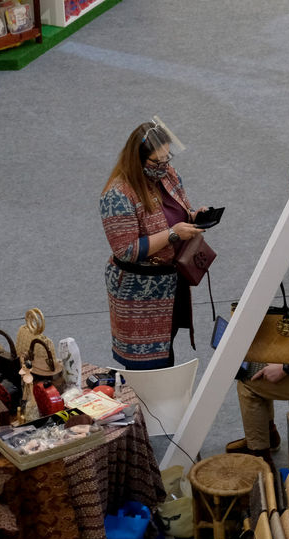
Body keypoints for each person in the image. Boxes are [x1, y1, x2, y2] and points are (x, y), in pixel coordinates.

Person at [100, 121, 206, 369]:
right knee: (146, 369)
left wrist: (192, 216)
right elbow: (126, 250)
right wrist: (173, 234)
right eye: (157, 162)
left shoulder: (168, 175)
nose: (164, 166)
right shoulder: (118, 194)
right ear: (136, 159)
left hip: (171, 286)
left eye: (167, 158)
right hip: (138, 296)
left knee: (166, 356)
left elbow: (178, 210)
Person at [226, 361, 289, 466]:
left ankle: (262, 459)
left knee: (248, 381)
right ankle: (268, 435)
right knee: (257, 363)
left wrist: (285, 368)